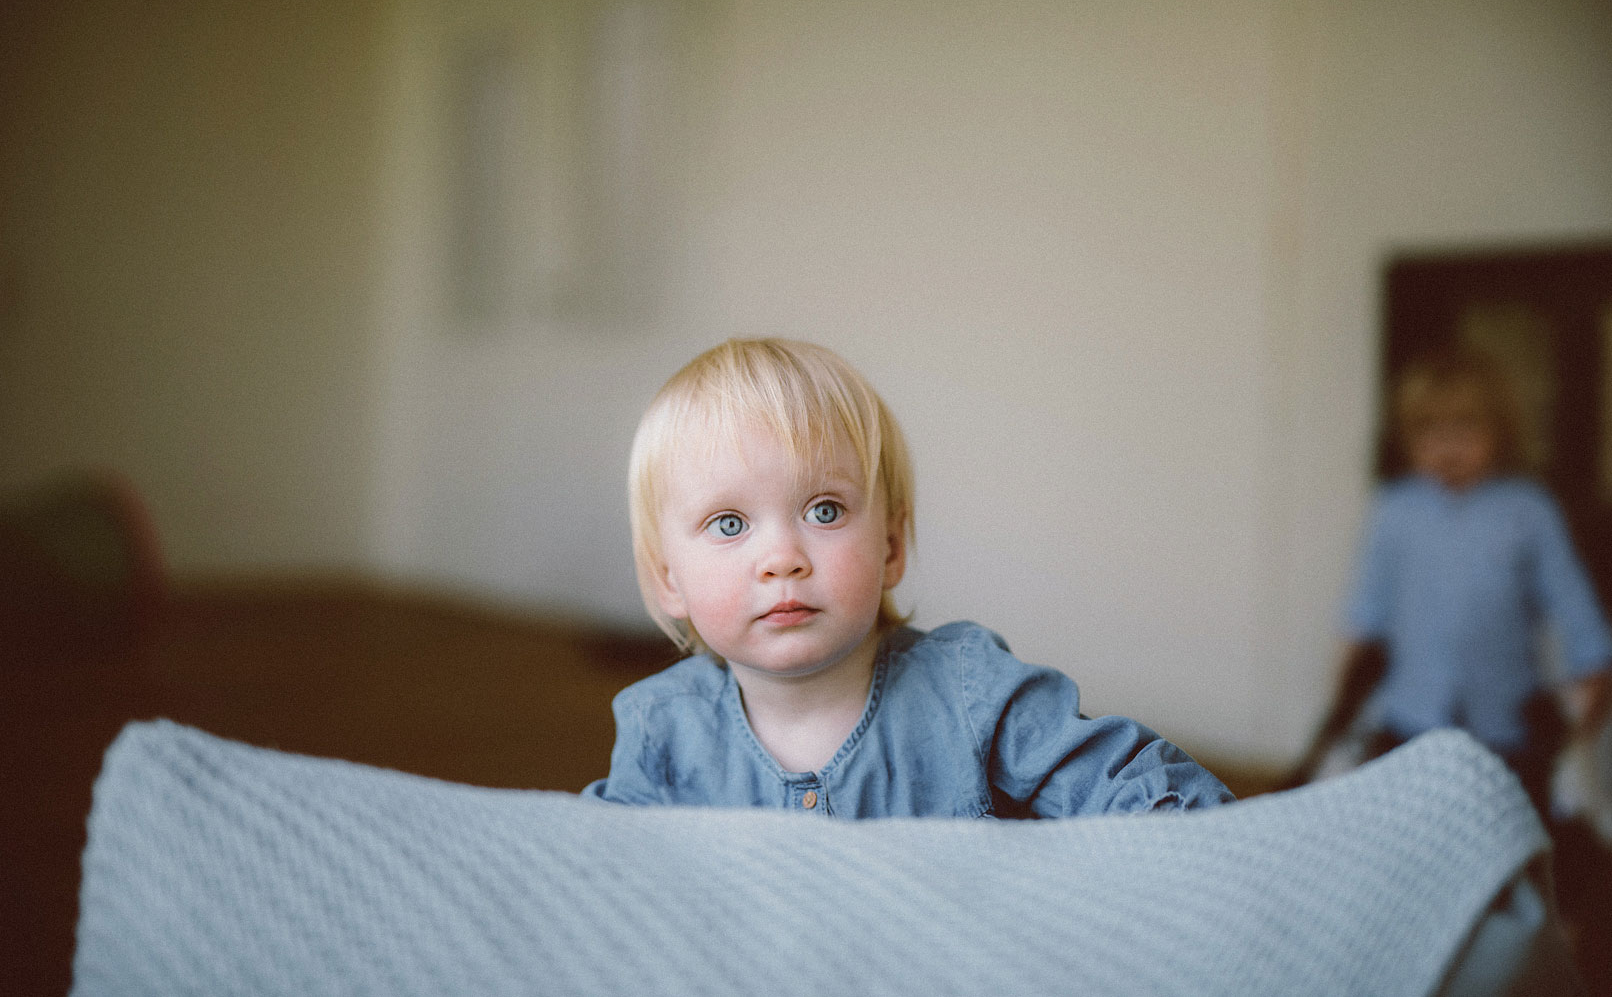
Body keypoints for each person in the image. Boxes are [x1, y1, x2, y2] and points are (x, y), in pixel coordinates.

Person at [582, 337, 1232, 817]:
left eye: (824, 510)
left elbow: (1139, 790)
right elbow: (597, 873)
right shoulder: (662, 730)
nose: (782, 558)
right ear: (668, 580)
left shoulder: (971, 692)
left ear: (891, 546)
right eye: (729, 523)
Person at [1288, 346, 1612, 814]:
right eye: (1428, 431)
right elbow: (1364, 613)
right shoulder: (1395, 510)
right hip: (1410, 720)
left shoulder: (1529, 510)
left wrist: (1590, 683)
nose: (1446, 446)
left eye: (1465, 428)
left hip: (1507, 728)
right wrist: (1339, 705)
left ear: (1500, 429)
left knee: (1505, 830)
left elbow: (1576, 609)